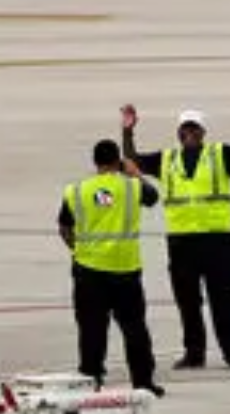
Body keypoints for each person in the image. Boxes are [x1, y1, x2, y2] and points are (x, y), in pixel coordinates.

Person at [121, 104, 230, 370]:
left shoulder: (219, 154)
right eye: (185, 128)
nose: (190, 133)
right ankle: (194, 353)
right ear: (179, 132)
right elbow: (132, 161)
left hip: (216, 240)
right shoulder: (167, 159)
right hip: (181, 243)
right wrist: (128, 131)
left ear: (202, 132)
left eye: (194, 128)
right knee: (187, 302)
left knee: (223, 300)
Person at [58, 139, 164, 397]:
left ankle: (91, 378)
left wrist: (77, 250)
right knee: (135, 328)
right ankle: (143, 381)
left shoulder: (77, 190)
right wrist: (136, 173)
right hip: (125, 270)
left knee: (91, 329)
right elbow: (153, 197)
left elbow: (64, 227)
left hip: (89, 270)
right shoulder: (131, 187)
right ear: (118, 161)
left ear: (95, 163)